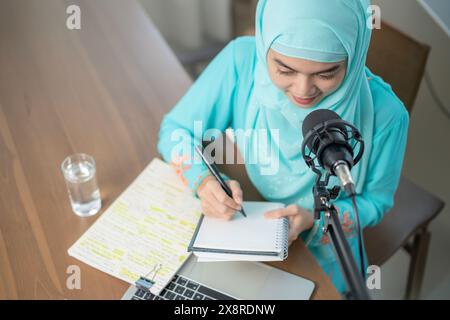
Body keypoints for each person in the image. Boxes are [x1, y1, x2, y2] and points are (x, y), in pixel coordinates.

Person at [157, 0, 409, 295]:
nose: (303, 91)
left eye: (326, 73)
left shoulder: (387, 115)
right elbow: (175, 131)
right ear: (264, 44)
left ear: (354, 57)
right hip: (247, 233)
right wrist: (203, 180)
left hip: (325, 261)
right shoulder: (242, 62)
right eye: (284, 69)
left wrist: (314, 223)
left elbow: (375, 203)